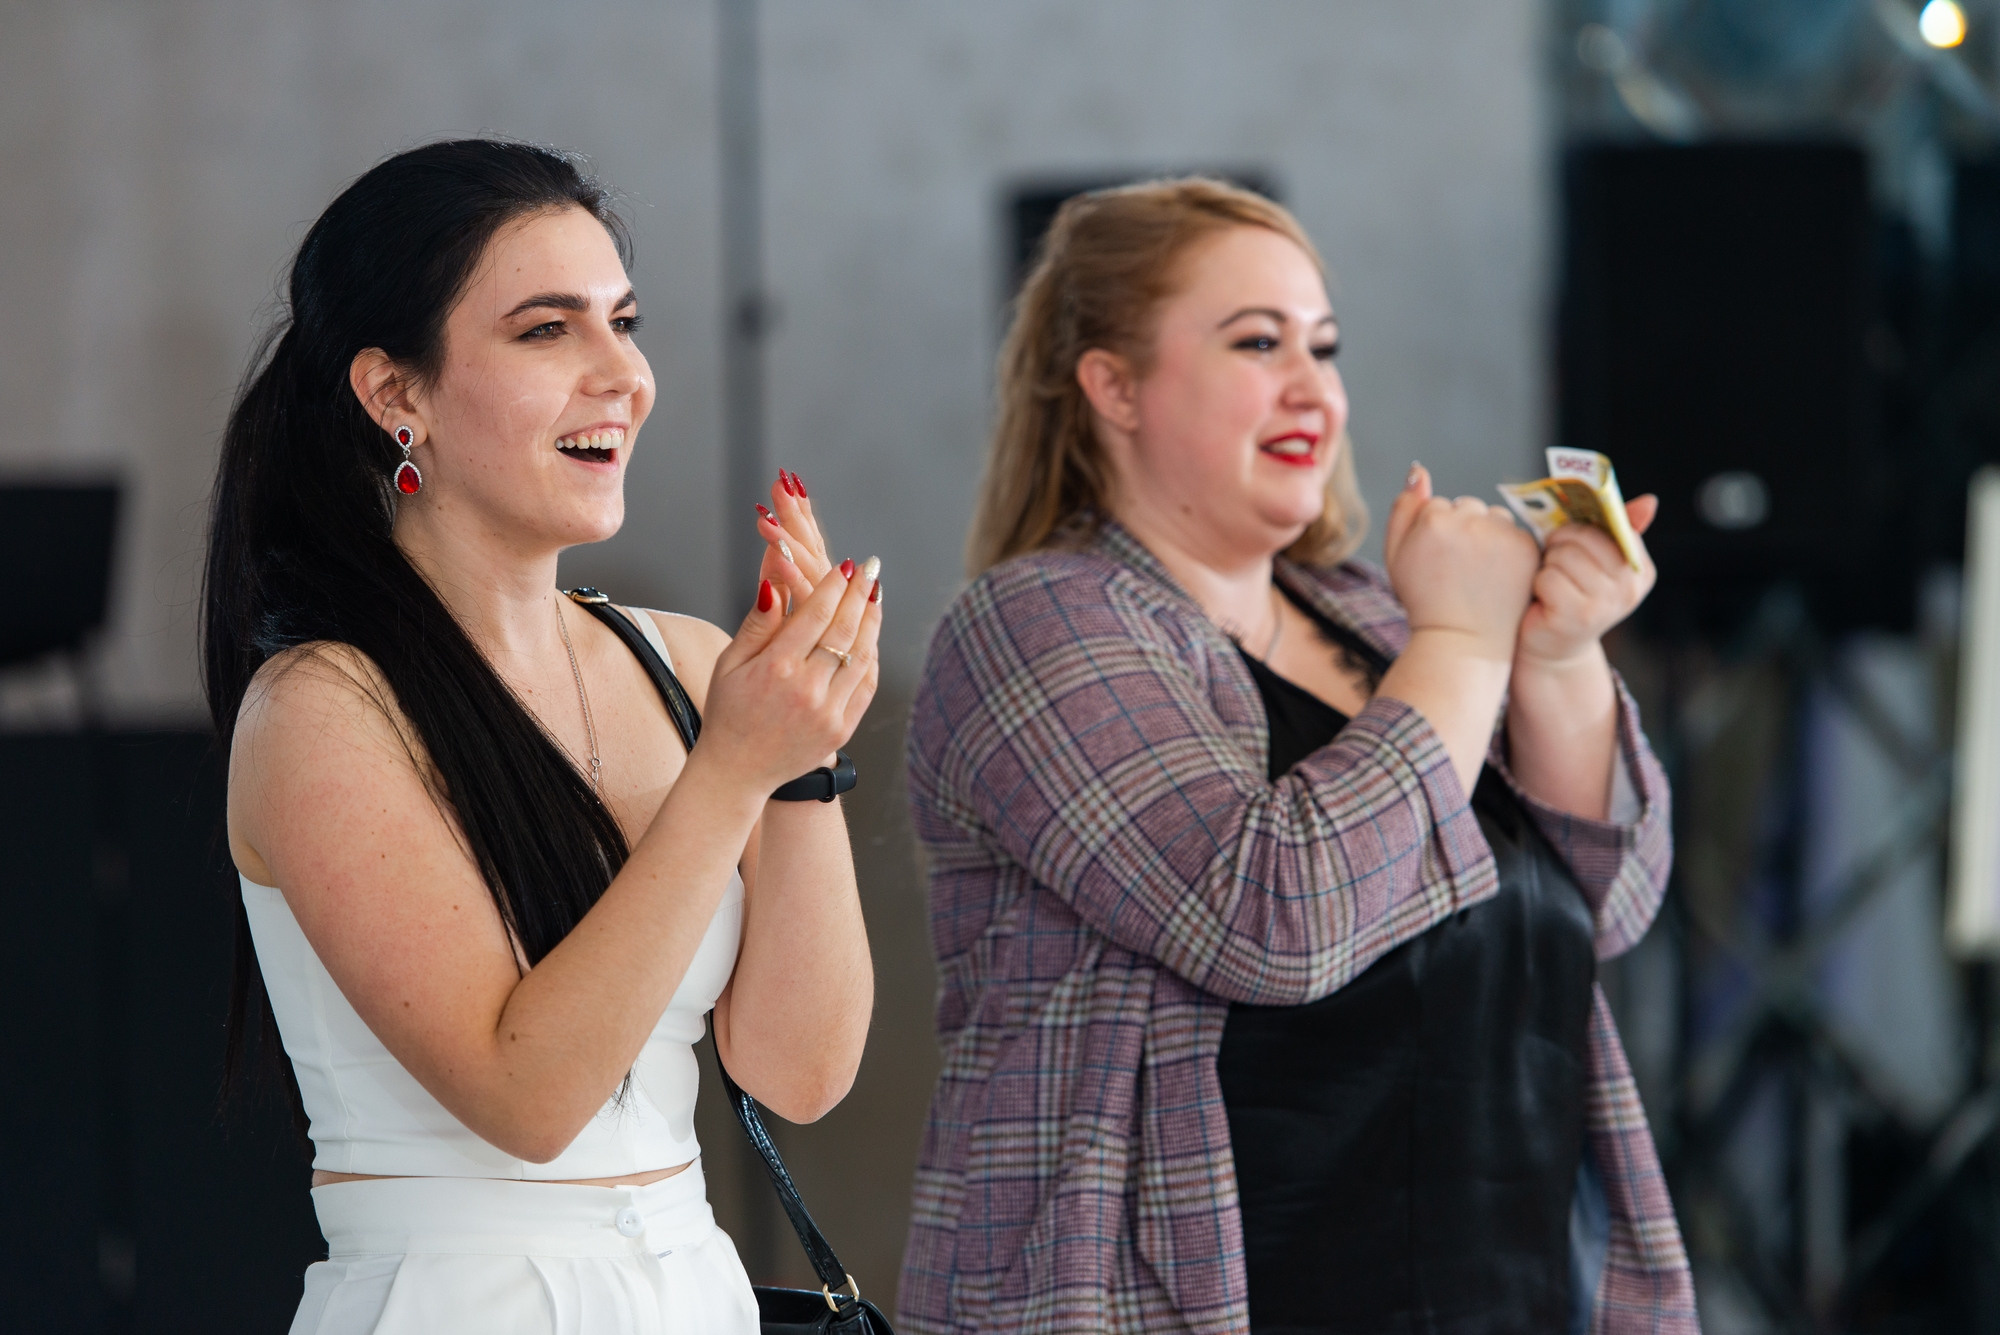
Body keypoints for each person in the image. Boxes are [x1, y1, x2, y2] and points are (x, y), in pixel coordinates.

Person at [900, 179, 1694, 1334]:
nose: (1309, 387)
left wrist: (1560, 658)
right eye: (1255, 342)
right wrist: (1467, 641)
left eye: (1322, 347)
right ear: (1112, 385)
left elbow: (1600, 910)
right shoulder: (1037, 626)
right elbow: (1270, 919)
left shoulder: (1375, 622)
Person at [203, 140, 882, 1334]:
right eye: (545, 330)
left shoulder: (679, 662)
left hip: (695, 1289)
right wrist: (729, 770)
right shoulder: (321, 708)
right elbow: (527, 1096)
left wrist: (801, 756)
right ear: (393, 394)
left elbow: (802, 1072)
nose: (621, 374)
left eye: (624, 320)